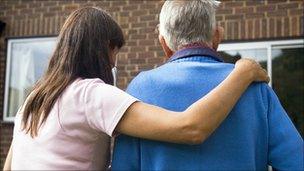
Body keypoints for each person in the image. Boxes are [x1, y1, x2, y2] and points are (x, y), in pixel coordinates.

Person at [3, 7, 268, 171]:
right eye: (114, 51)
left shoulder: (33, 99)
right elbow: (190, 127)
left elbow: (10, 165)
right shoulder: (90, 95)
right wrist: (242, 73)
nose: (114, 61)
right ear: (103, 48)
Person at [112, 1, 303, 170]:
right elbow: (296, 162)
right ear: (217, 37)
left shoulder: (141, 88)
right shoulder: (255, 87)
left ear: (164, 43)